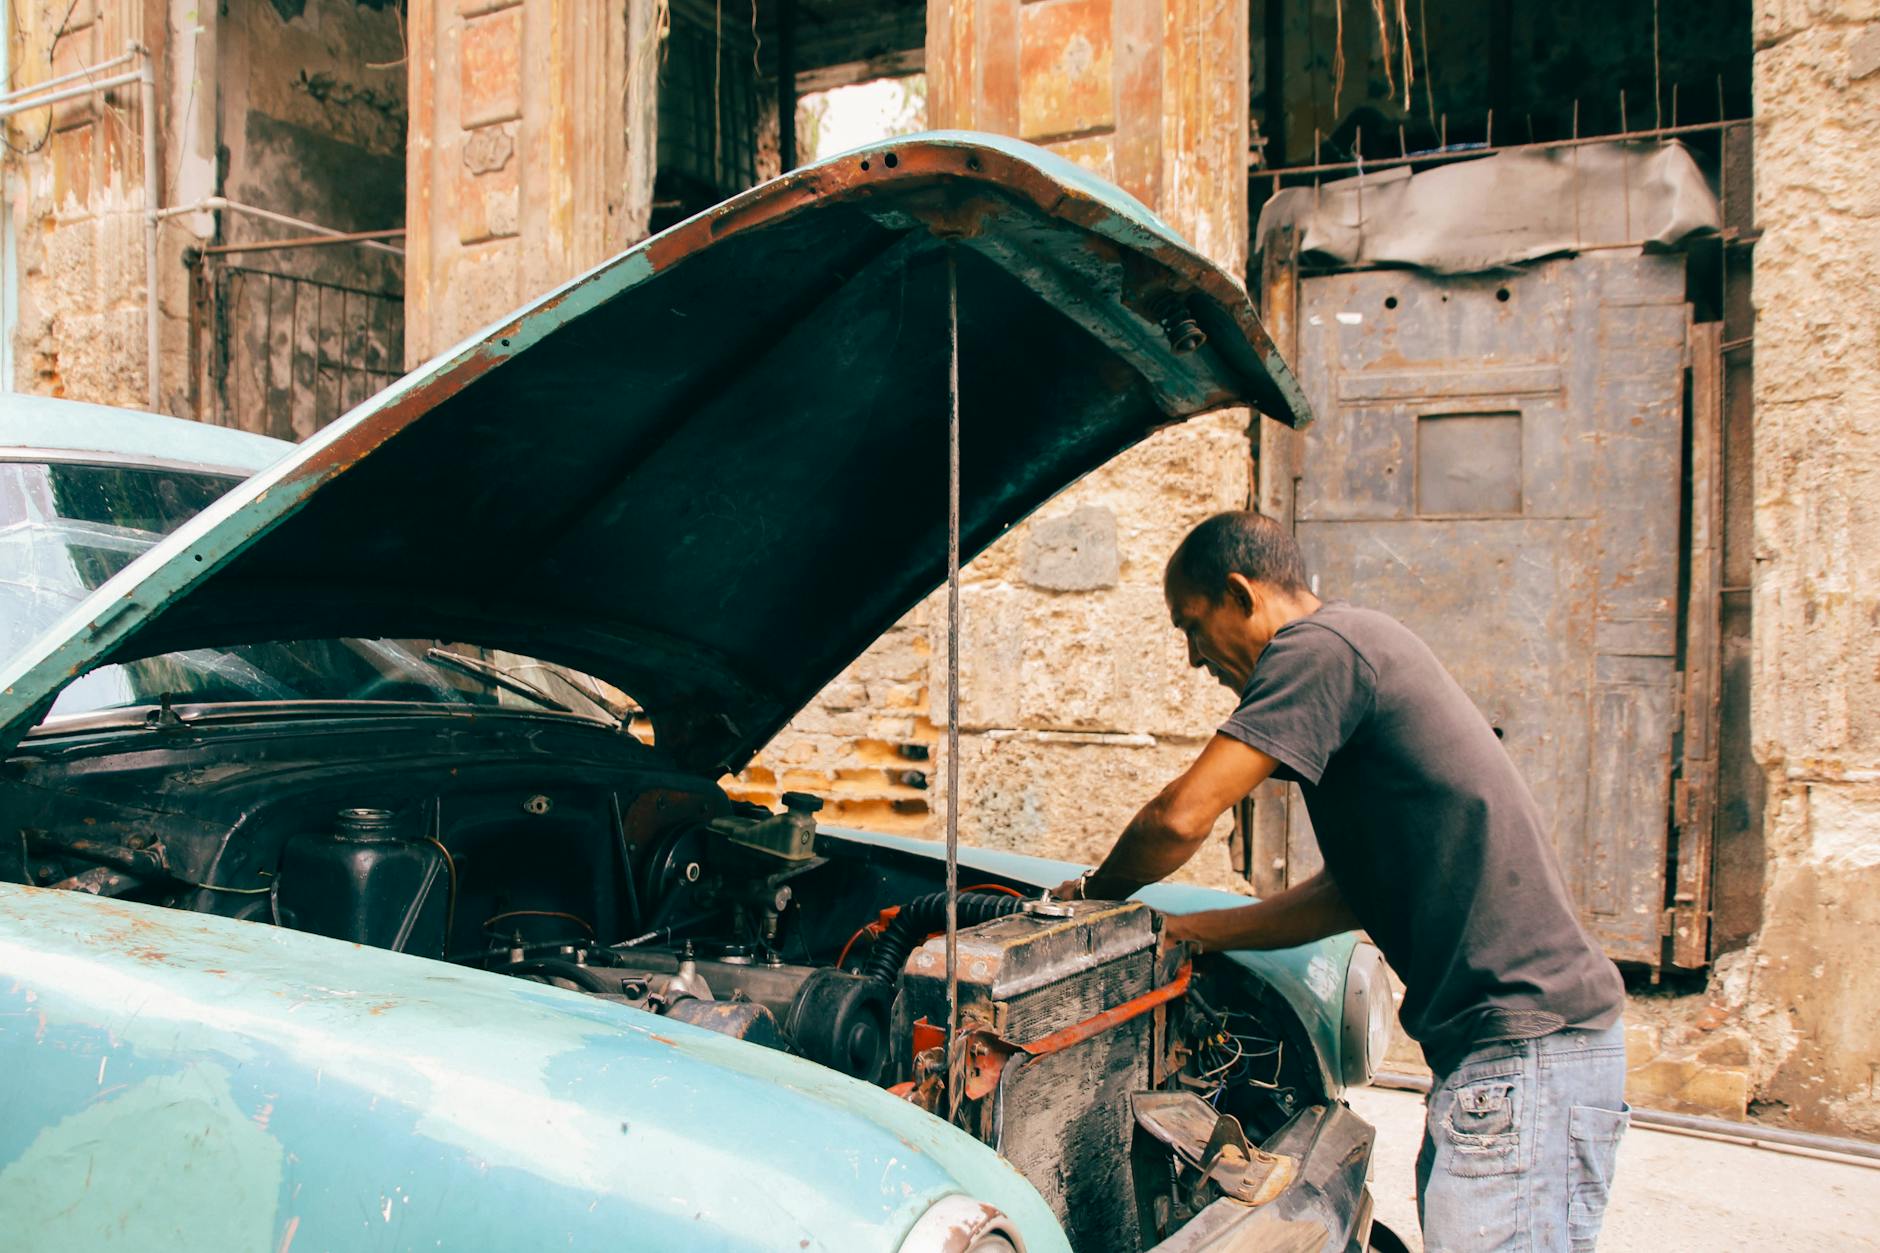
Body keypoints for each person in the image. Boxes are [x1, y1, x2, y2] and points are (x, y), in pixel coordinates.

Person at [1059, 510, 1629, 1252]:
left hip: (1524, 1053)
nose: (1195, 657)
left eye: (1191, 626)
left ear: (1241, 594)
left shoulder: (1316, 649)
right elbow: (1348, 893)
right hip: (1527, 1053)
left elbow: (1181, 817)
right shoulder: (1363, 643)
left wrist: (1093, 898)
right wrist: (1195, 932)